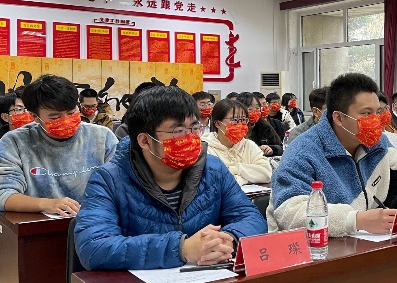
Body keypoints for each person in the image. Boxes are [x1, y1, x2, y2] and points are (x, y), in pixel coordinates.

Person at [74, 86, 266, 270]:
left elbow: (251, 218)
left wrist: (228, 239)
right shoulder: (108, 179)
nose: (190, 138)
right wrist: (182, 248)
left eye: (194, 128)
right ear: (145, 140)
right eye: (178, 131)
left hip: (208, 281)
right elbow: (93, 247)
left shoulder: (213, 169)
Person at [269, 73, 397, 237]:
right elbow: (290, 212)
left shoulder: (380, 143)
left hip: (367, 242)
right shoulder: (303, 151)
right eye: (366, 113)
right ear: (339, 118)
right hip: (315, 245)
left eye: (377, 112)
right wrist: (355, 220)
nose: (375, 121)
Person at [0, 75, 118, 215]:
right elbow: (4, 194)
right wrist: (46, 204)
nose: (66, 120)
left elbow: (122, 185)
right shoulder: (15, 142)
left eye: (71, 112)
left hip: (98, 219)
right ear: (34, 116)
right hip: (42, 224)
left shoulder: (102, 137)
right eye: (55, 117)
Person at [202, 99, 271, 185]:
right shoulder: (205, 148)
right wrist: (248, 178)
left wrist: (235, 169)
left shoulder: (249, 145)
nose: (240, 124)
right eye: (234, 120)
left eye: (243, 120)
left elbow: (266, 174)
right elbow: (215, 179)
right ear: (218, 124)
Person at [236, 92, 282, 156]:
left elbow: (281, 147)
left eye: (257, 108)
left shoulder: (264, 126)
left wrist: (272, 149)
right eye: (250, 109)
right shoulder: (234, 128)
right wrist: (255, 149)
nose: (254, 111)